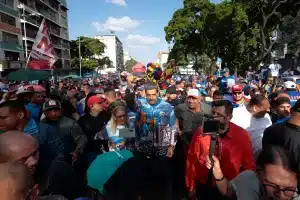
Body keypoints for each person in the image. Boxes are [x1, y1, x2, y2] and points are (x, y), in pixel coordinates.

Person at [186, 100, 255, 200]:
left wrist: (245, 190)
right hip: (203, 185)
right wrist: (191, 186)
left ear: (229, 117)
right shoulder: (201, 131)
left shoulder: (241, 135)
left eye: (218, 114)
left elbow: (248, 166)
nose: (214, 117)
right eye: (213, 113)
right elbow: (191, 159)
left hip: (228, 187)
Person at [206, 145, 299, 200]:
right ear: (259, 172)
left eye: (289, 189)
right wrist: (218, 173)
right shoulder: (248, 180)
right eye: (273, 185)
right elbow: (227, 191)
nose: (282, 196)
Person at [40, 99, 87, 165]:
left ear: (61, 110)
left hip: (67, 160)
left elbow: (82, 139)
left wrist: (77, 152)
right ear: (44, 112)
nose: (53, 113)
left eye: (56, 110)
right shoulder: (41, 125)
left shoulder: (70, 123)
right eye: (49, 110)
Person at [263, 99, 300, 170]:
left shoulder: (270, 129)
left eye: (287, 107)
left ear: (291, 110)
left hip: (270, 176)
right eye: (282, 107)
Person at [78, 95, 110, 163]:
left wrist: (129, 133)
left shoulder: (106, 115)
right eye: (99, 103)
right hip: (91, 153)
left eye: (102, 102)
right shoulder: (83, 120)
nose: (102, 104)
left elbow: (116, 129)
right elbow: (80, 137)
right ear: (91, 106)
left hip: (107, 151)